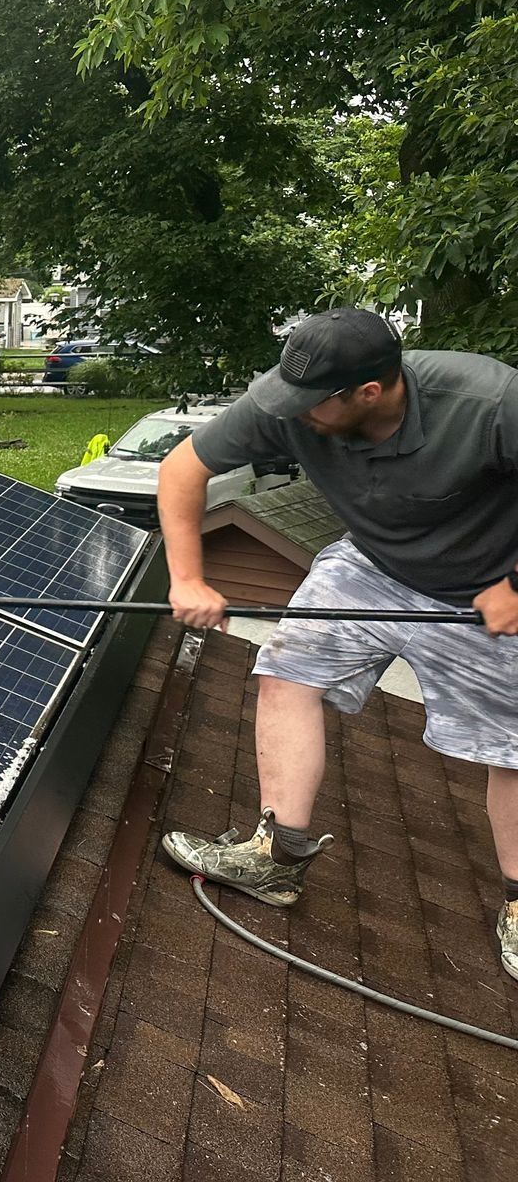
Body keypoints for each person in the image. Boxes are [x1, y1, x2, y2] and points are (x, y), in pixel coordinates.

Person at [154, 309, 518, 975]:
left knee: (511, 749)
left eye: (310, 403)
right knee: (286, 671)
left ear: (370, 392)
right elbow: (183, 469)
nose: (290, 413)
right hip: (370, 567)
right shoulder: (291, 401)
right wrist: (188, 578)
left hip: (483, 590)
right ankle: (276, 859)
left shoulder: (490, 402)